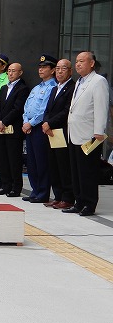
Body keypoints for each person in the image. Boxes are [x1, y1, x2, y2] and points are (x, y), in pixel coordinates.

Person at [64, 52, 109, 216]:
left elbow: (101, 107)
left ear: (92, 63)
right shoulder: (79, 82)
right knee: (76, 171)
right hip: (74, 133)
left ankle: (89, 204)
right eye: (76, 61)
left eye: (82, 61)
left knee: (87, 172)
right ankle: (79, 201)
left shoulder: (98, 81)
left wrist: (99, 131)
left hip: (89, 135)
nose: (78, 64)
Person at [21, 55, 58, 203]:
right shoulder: (37, 88)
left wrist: (31, 123)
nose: (41, 70)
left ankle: (42, 192)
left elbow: (44, 110)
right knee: (32, 161)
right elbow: (27, 107)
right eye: (40, 67)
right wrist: (25, 121)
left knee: (41, 161)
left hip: (40, 128)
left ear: (53, 70)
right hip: (29, 127)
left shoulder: (52, 87)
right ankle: (35, 190)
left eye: (45, 67)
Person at [41, 59, 75, 209]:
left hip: (62, 131)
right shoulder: (55, 88)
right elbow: (48, 109)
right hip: (51, 132)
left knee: (63, 166)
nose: (60, 72)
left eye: (64, 69)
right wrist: (46, 123)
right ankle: (58, 196)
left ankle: (67, 198)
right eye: (58, 69)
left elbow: (67, 110)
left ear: (70, 71)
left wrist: (50, 123)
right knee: (53, 165)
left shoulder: (72, 87)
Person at [0, 62, 28, 197]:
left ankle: (15, 187)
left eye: (14, 71)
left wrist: (4, 121)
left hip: (13, 129)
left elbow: (17, 109)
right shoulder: (4, 88)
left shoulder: (23, 89)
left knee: (14, 159)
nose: (11, 73)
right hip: (1, 129)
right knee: (2, 159)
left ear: (20, 73)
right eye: (9, 71)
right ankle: (5, 185)